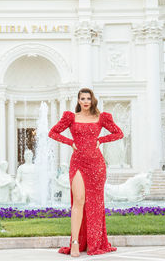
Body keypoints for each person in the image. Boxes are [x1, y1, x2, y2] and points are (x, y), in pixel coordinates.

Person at [48, 87, 124, 257]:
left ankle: (94, 243)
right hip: (78, 163)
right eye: (82, 99)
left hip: (96, 164)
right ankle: (75, 242)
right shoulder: (71, 117)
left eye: (88, 98)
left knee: (95, 204)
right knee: (79, 200)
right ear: (78, 100)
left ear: (92, 100)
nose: (85, 102)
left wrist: (101, 140)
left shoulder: (101, 117)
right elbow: (52, 132)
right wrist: (70, 142)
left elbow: (119, 133)